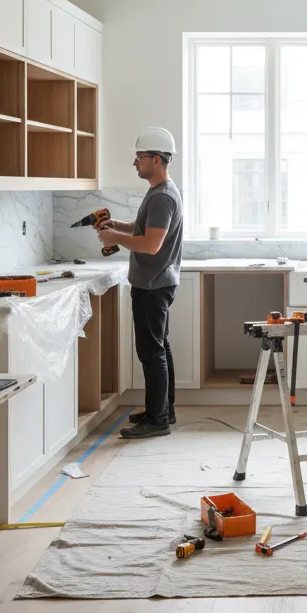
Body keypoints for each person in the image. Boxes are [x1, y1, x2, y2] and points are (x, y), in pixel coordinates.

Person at [96, 127, 184, 439]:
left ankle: (157, 419)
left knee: (151, 353)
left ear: (157, 160)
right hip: (159, 283)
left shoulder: (162, 197)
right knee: (160, 348)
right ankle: (164, 410)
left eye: (140, 157)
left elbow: (150, 244)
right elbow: (145, 228)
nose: (135, 163)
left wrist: (114, 238)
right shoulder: (161, 191)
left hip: (152, 286)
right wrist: (120, 225)